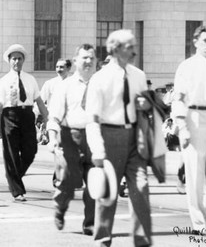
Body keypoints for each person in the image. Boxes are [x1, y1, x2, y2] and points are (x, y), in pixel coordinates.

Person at [85, 29, 151, 247]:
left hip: (134, 136)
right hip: (108, 135)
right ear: (115, 49)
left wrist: (145, 106)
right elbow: (92, 118)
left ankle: (142, 241)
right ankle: (103, 239)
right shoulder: (99, 79)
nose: (134, 51)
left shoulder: (139, 76)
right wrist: (97, 149)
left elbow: (145, 109)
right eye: (129, 47)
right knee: (108, 193)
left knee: (140, 188)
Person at [171, 25, 206, 235]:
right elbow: (178, 99)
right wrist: (182, 127)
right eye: (205, 40)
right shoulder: (187, 66)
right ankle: (200, 224)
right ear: (195, 42)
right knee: (195, 174)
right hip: (193, 118)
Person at [46, 44, 97, 235]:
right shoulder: (65, 86)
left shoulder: (100, 84)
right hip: (70, 138)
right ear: (75, 61)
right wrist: (52, 139)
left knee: (94, 183)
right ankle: (59, 208)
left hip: (94, 138)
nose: (88, 61)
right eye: (84, 57)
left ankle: (90, 222)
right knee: (67, 183)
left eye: (92, 58)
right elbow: (54, 117)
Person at [0, 44, 48, 201]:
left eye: (19, 58)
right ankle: (17, 191)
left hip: (27, 115)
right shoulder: (3, 81)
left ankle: (13, 176)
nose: (17, 61)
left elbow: (39, 101)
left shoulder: (30, 79)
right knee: (11, 154)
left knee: (31, 151)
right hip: (10, 116)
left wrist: (48, 120)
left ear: (23, 60)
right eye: (14, 58)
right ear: (9, 61)